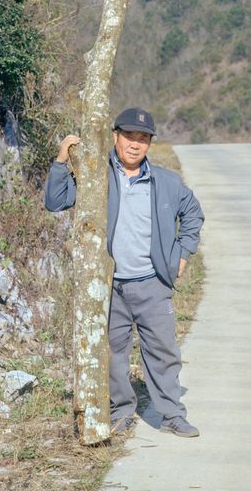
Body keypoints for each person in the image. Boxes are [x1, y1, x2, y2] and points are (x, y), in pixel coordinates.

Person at [44, 107, 204, 437]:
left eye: (143, 139)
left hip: (152, 284)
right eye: (129, 136)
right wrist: (62, 160)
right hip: (109, 286)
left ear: (149, 145)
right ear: (115, 136)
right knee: (113, 355)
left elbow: (193, 215)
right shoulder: (95, 177)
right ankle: (121, 414)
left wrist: (182, 255)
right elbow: (55, 201)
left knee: (163, 352)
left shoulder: (167, 182)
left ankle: (172, 414)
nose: (135, 144)